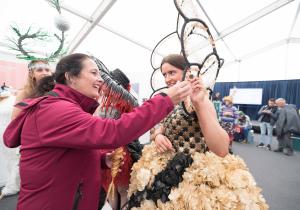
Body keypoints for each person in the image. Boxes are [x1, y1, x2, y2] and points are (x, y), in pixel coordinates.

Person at [3, 53, 193, 210]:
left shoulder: (65, 107)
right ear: (70, 76)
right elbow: (114, 132)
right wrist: (165, 100)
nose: (100, 79)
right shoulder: (55, 110)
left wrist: (101, 160)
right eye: (94, 73)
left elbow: (67, 152)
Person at [127, 54, 229, 209]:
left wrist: (199, 104)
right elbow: (157, 128)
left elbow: (221, 149)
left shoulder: (199, 99)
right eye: (164, 75)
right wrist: (158, 136)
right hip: (163, 169)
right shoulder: (170, 99)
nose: (167, 79)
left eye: (172, 72)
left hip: (193, 178)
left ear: (186, 72)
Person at [0, 60, 52, 199]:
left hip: (50, 139)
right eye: (40, 70)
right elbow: (15, 118)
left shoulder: (55, 90)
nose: (45, 73)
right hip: (32, 141)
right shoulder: (25, 93)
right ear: (32, 74)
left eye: (47, 70)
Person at [98, 68, 143, 210]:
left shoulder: (122, 104)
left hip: (117, 152)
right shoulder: (121, 103)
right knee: (118, 189)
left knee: (117, 189)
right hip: (115, 152)